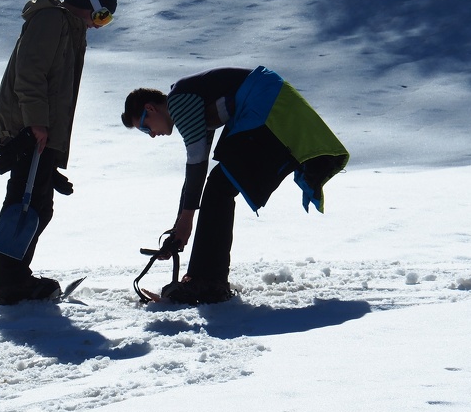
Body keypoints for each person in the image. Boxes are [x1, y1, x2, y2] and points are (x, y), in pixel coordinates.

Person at [121, 66, 349, 305]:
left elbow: (197, 164)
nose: (151, 135)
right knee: (219, 186)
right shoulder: (189, 103)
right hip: (266, 101)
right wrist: (180, 225)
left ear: (150, 108)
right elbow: (195, 174)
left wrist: (186, 221)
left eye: (145, 127)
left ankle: (207, 282)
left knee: (219, 187)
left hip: (265, 104)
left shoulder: (178, 102)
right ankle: (207, 280)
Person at [0, 0, 117, 306]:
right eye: (101, 16)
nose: (100, 26)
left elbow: (57, 88)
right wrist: (36, 124)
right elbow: (31, 73)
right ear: (88, 5)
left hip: (40, 132)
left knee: (38, 206)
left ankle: (14, 278)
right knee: (24, 205)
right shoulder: (50, 20)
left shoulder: (67, 28)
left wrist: (52, 154)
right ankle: (9, 283)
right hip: (29, 130)